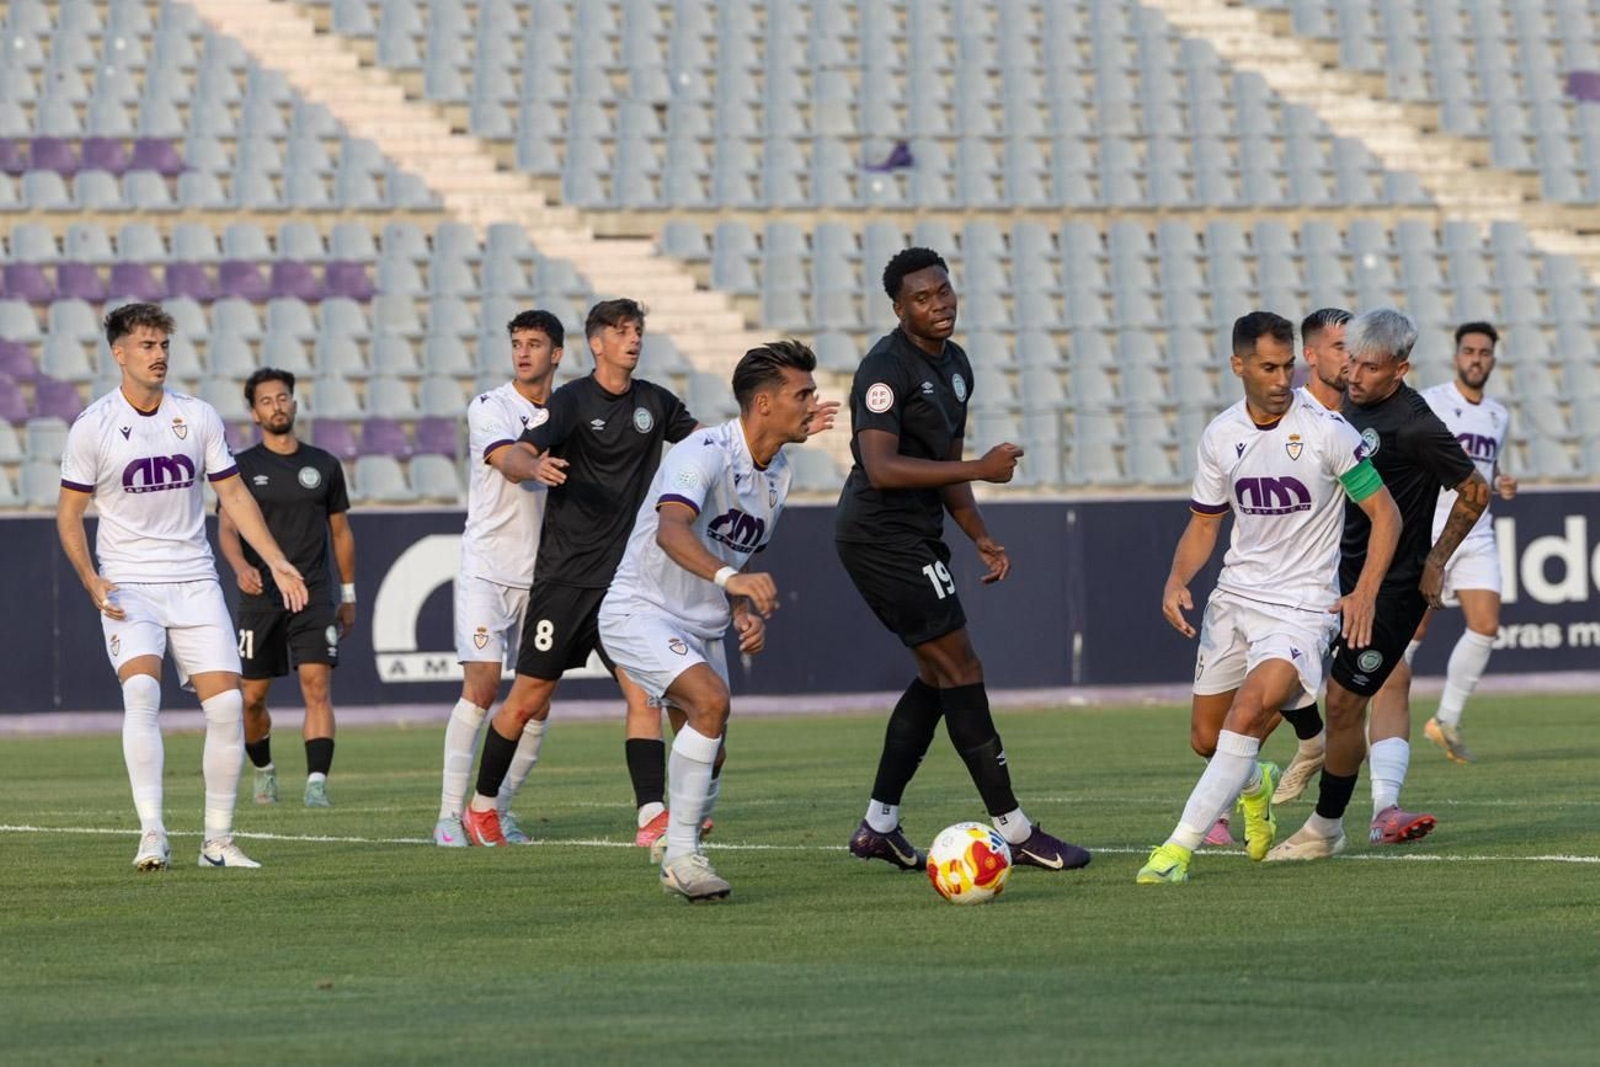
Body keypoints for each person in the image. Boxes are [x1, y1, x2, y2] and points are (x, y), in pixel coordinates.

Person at [835, 247, 1090, 874]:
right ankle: (1015, 830)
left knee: (937, 675)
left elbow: (945, 466)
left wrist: (979, 533)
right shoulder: (884, 369)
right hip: (879, 534)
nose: (939, 304)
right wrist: (981, 467)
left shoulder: (955, 365)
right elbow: (881, 467)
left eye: (943, 291)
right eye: (922, 298)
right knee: (961, 666)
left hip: (917, 533)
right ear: (899, 310)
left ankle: (878, 825)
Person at [1138, 312, 1399, 884]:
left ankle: (1177, 849)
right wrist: (1177, 579)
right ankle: (1255, 784)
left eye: (1288, 367)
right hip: (1235, 598)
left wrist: (1363, 593)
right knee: (1207, 740)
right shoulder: (1220, 435)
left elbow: (1386, 514)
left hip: (1302, 607)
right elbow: (1204, 523)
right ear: (1239, 366)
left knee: (1250, 711)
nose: (1283, 380)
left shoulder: (1329, 432)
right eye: (1268, 368)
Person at [56, 303, 308, 870]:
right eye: (147, 345)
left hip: (194, 580)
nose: (159, 355)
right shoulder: (93, 425)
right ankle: (152, 833)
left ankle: (217, 842)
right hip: (129, 583)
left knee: (228, 706)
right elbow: (68, 514)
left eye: (164, 345)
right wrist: (91, 578)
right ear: (119, 353)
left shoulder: (196, 416)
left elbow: (234, 495)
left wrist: (276, 560)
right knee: (142, 694)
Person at [458, 299, 700, 847]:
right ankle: (481, 807)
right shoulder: (569, 401)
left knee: (644, 695)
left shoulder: (655, 402)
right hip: (565, 580)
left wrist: (760, 436)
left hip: (626, 584)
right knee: (526, 700)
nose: (633, 340)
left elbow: (707, 444)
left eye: (637, 331)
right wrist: (532, 466)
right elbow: (518, 452)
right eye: (622, 331)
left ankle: (652, 816)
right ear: (596, 343)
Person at [599, 340, 823, 901]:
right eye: (802, 394)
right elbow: (671, 530)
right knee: (711, 702)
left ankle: (676, 836)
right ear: (764, 403)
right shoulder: (702, 451)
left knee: (712, 747)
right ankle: (681, 857)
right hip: (639, 609)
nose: (812, 404)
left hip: (701, 623)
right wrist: (730, 582)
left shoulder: (779, 474)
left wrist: (740, 609)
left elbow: (734, 551)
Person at [1269, 309, 1489, 861]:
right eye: (1353, 363)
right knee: (1280, 680)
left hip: (1390, 590)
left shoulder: (1415, 425)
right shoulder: (1342, 403)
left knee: (1345, 701)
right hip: (1329, 575)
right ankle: (1291, 768)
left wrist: (1437, 560)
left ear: (1400, 369)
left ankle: (1326, 826)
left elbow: (1475, 490)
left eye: (1371, 368)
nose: (1356, 376)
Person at [433, 310, 565, 847]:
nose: (523, 352)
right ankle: (448, 816)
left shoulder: (569, 410)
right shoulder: (490, 406)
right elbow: (507, 459)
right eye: (517, 343)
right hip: (487, 567)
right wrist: (534, 466)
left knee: (536, 701)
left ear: (557, 354)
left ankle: (494, 810)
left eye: (535, 343)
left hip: (546, 575)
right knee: (483, 686)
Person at [1375, 322, 1516, 767]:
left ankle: (1446, 720)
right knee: (1412, 631)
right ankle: (1375, 706)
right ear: (1456, 357)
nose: (1476, 359)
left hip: (1477, 533)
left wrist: (1501, 480)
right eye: (1469, 351)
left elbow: (1485, 466)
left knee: (1486, 625)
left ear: (1492, 360)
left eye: (1484, 352)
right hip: (1431, 528)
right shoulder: (1431, 402)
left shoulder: (1498, 415)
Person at [217, 368, 354, 809]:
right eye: (266, 401)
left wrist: (347, 594)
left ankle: (316, 785)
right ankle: (264, 770)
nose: (276, 407)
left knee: (317, 687)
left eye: (282, 398)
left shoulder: (324, 465)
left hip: (313, 593)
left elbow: (340, 533)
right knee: (252, 698)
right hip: (261, 596)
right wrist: (240, 566)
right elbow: (227, 529)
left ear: (294, 403)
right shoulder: (240, 467)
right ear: (254, 413)